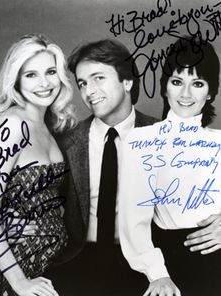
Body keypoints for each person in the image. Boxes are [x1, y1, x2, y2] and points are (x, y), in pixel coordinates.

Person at [43, 38, 158, 296]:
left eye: (98, 78)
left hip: (144, 263)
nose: (88, 91)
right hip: (78, 259)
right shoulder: (66, 141)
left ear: (127, 81)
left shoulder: (161, 135)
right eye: (82, 83)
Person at [119, 36, 221, 296]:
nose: (186, 94)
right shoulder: (142, 140)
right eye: (177, 82)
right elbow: (134, 221)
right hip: (169, 264)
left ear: (210, 92)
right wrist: (158, 275)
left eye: (197, 84)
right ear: (165, 88)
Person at [0, 33, 76, 296]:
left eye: (50, 72)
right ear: (15, 80)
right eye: (31, 75)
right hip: (18, 275)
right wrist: (20, 283)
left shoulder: (50, 125)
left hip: (50, 268)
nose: (44, 83)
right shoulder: (12, 126)